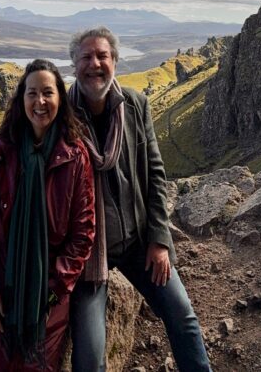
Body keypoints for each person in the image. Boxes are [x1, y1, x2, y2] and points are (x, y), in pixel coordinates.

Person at [67, 27, 212, 372]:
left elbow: (155, 175)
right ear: (74, 65)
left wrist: (160, 241)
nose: (95, 64)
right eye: (86, 57)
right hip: (88, 256)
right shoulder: (62, 117)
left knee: (183, 317)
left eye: (102, 56)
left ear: (114, 61)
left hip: (138, 242)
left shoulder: (135, 105)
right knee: (89, 358)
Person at [0, 59, 96, 371]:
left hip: (46, 302)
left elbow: (83, 233)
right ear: (21, 99)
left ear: (60, 99)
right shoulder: (0, 147)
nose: (40, 102)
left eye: (47, 93)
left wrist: (53, 292)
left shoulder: (75, 157)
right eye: (32, 93)